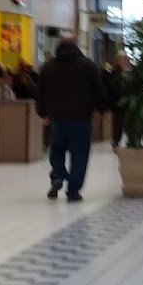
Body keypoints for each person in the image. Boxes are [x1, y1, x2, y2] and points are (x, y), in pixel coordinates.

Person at [36, 32, 105, 201]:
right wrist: (102, 108)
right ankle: (73, 190)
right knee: (79, 154)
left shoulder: (49, 66)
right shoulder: (87, 65)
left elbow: (40, 91)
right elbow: (98, 89)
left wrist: (43, 112)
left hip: (57, 119)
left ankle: (58, 176)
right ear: (76, 44)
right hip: (81, 118)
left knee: (57, 149)